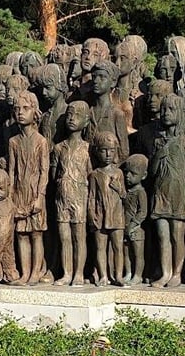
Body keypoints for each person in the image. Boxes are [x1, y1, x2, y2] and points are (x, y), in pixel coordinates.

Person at [149, 93, 185, 288]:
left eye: (171, 110)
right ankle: (165, 272)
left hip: (180, 193)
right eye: (164, 110)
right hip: (161, 193)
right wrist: (160, 154)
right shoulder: (157, 141)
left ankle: (177, 273)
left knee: (177, 235)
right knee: (162, 235)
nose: (166, 113)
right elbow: (152, 171)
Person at [7, 90, 49, 285]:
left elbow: (44, 171)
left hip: (35, 192)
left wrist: (40, 196)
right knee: (21, 234)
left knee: (36, 233)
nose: (20, 113)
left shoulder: (41, 141)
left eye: (25, 108)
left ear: (35, 111)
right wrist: (11, 196)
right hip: (19, 193)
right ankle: (25, 273)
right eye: (17, 109)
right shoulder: (13, 142)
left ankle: (36, 272)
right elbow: (12, 172)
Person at [51, 101, 92, 286]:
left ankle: (78, 273)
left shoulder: (87, 148)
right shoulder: (58, 148)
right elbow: (53, 174)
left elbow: (90, 174)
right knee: (64, 236)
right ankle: (67, 273)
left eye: (76, 116)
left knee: (79, 236)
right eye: (69, 115)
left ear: (86, 121)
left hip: (80, 196)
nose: (71, 119)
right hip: (61, 196)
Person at [88, 131, 126, 286]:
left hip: (116, 216)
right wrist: (92, 215)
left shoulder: (119, 173)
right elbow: (91, 197)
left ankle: (118, 276)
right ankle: (103, 275)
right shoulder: (95, 174)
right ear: (97, 152)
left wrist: (118, 188)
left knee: (118, 247)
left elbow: (124, 195)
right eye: (103, 150)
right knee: (100, 247)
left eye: (111, 150)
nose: (108, 154)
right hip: (101, 215)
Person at [122, 154, 149, 286]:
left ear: (143, 176)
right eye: (126, 172)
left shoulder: (141, 192)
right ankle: (128, 272)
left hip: (136, 228)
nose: (128, 176)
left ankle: (138, 275)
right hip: (124, 225)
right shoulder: (127, 191)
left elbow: (143, 212)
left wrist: (133, 225)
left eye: (133, 173)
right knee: (126, 252)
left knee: (138, 254)